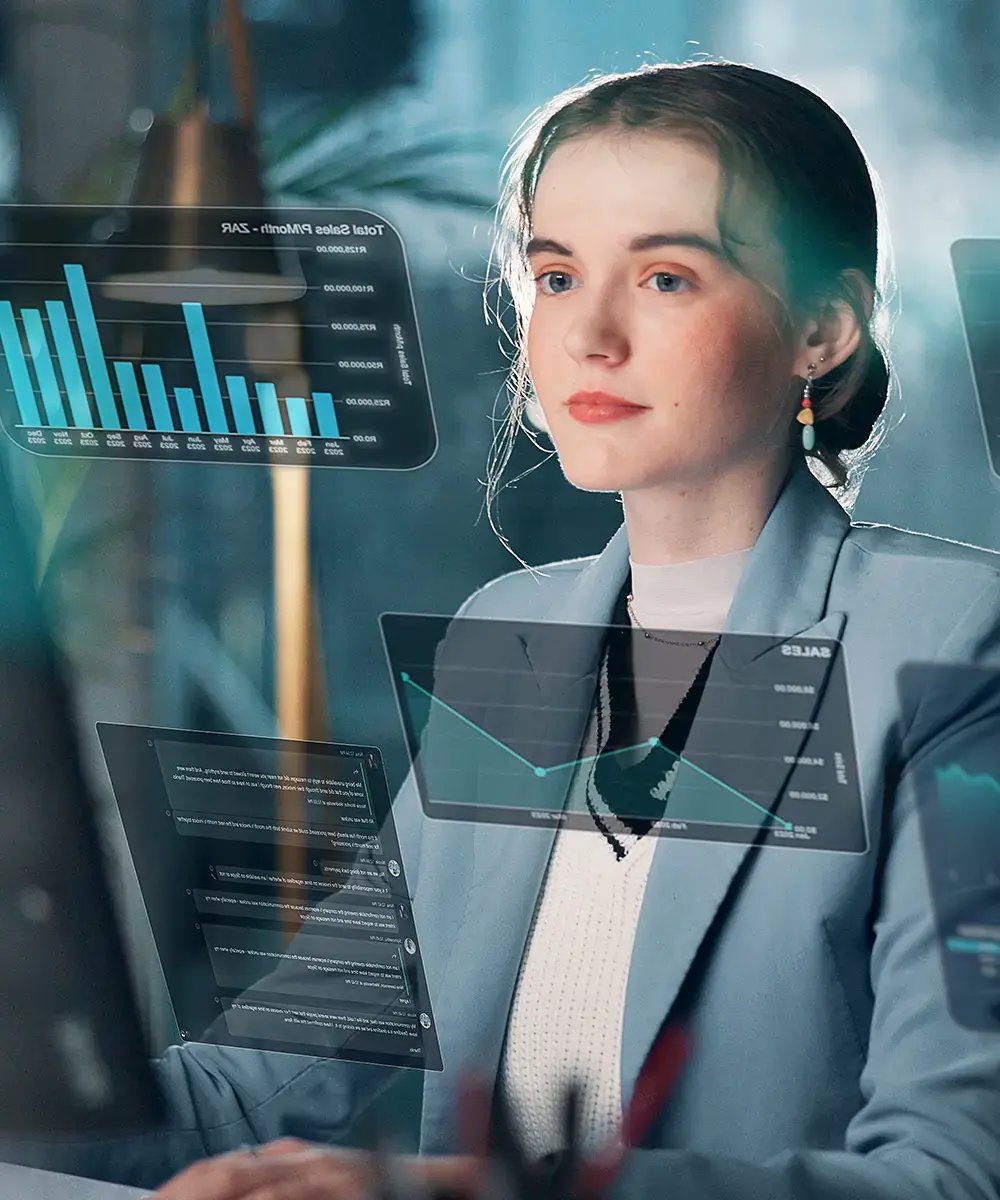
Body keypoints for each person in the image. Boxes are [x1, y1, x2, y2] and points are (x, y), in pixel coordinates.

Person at [10, 59, 1000, 1200]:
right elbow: (256, 1088)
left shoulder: (949, 646)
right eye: (558, 276)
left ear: (820, 329)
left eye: (668, 277)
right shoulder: (510, 637)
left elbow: (948, 1178)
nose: (591, 334)